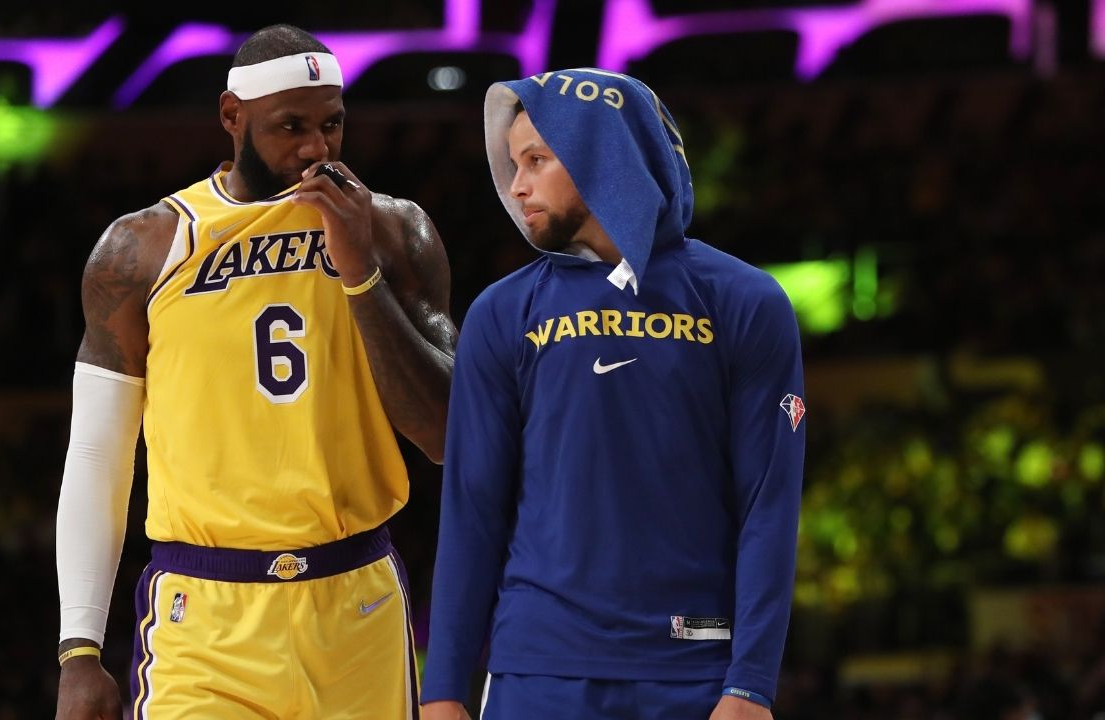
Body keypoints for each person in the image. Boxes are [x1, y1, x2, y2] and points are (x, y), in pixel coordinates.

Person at [53, 24, 456, 719]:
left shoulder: (394, 231)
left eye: (331, 125)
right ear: (231, 116)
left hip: (356, 602)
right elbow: (97, 453)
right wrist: (78, 648)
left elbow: (450, 435)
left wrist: (359, 272)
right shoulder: (143, 247)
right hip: (205, 614)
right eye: (290, 126)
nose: (315, 148)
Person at [420, 69, 805, 720]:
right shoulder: (501, 313)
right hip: (537, 671)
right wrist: (443, 689)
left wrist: (752, 684)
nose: (516, 186)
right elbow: (471, 509)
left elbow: (769, 503)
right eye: (514, 164)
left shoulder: (745, 301)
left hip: (695, 666)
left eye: (536, 160)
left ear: (603, 154)